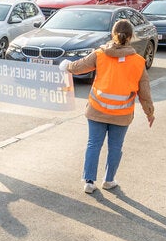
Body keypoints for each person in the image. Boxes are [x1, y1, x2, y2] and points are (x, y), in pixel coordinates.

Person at [61, 19, 154, 194]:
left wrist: (66, 66)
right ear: (131, 37)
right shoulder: (138, 62)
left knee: (93, 144)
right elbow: (145, 92)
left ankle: (89, 182)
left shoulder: (100, 54)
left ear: (113, 34)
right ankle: (109, 180)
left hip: (97, 109)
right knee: (116, 147)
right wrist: (149, 113)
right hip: (122, 114)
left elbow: (78, 67)